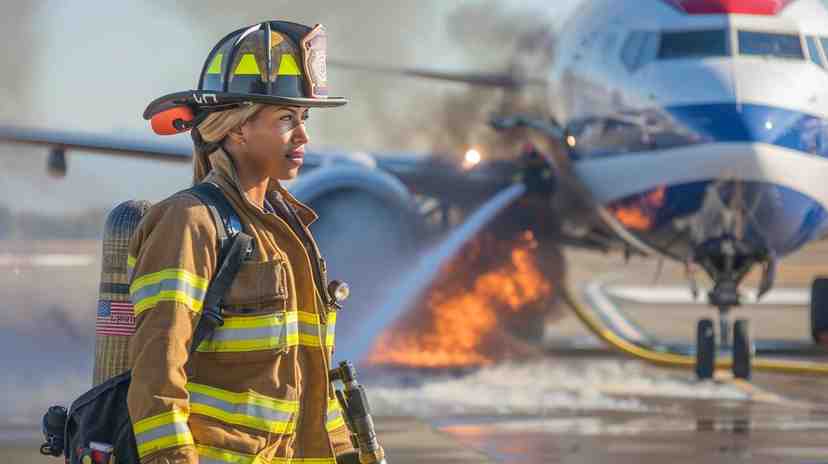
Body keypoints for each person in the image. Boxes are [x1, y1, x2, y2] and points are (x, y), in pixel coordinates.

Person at [127, 21, 356, 464]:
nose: (304, 136)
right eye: (287, 118)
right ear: (236, 129)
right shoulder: (190, 222)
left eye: (303, 118)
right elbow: (157, 370)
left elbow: (312, 381)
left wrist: (348, 453)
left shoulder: (288, 233)